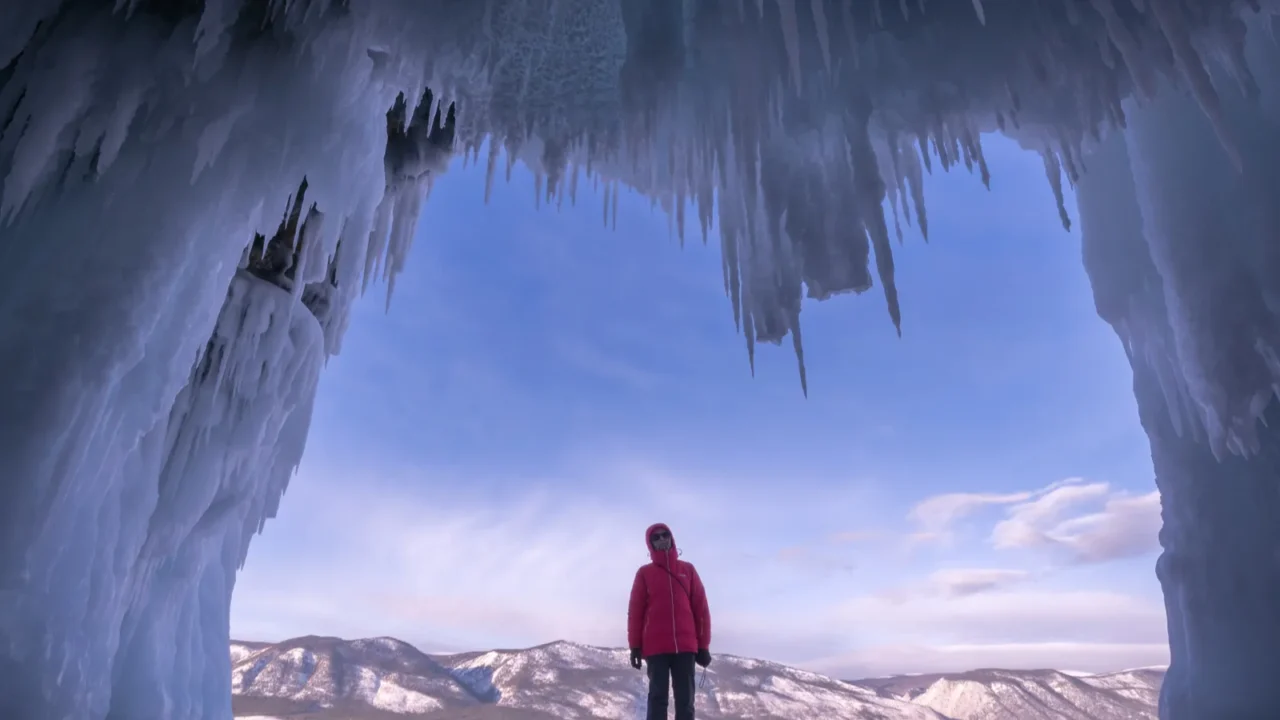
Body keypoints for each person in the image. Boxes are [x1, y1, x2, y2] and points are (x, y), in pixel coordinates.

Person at [627, 522, 712, 720]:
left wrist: (704, 645)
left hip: (685, 647)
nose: (661, 539)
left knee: (686, 700)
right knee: (657, 699)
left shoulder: (688, 570)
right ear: (650, 544)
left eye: (664, 535)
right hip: (656, 648)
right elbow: (635, 612)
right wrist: (635, 647)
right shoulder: (644, 574)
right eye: (655, 537)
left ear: (672, 538)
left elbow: (701, 610)